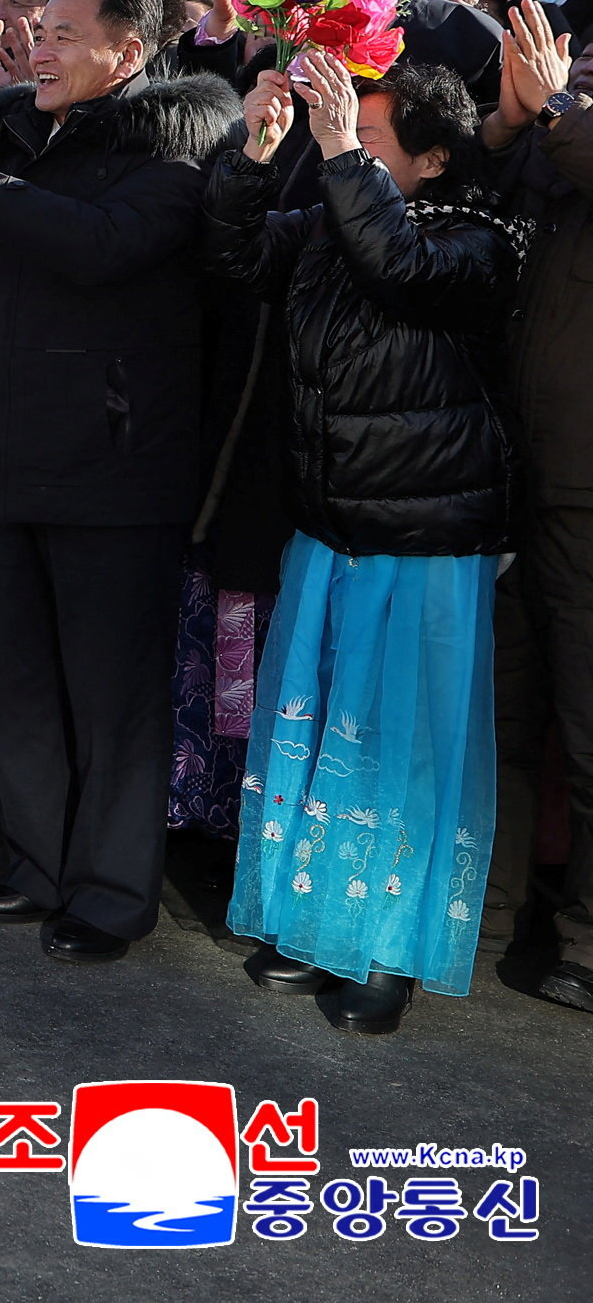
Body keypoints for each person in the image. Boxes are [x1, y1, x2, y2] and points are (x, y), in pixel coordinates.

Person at [0, 0, 237, 961]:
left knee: (110, 694)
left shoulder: (176, 144)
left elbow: (98, 247)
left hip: (114, 468)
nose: (41, 44)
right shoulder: (12, 138)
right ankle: (30, 866)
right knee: (22, 680)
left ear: (127, 52)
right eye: (42, 26)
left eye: (67, 30)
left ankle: (112, 893)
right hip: (4, 447)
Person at [200, 55, 522, 1035]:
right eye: (342, 132)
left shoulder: (478, 238)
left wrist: (336, 151)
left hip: (423, 537)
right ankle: (308, 923)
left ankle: (386, 949)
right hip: (328, 525)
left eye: (368, 137)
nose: (342, 145)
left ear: (430, 159)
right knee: (321, 731)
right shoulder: (335, 225)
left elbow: (401, 269)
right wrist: (252, 152)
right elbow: (236, 256)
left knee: (401, 750)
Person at [487, 0, 593, 1016]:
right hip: (510, 472)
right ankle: (486, 907)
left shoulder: (571, 126)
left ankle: (582, 938)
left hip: (584, 492)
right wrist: (514, 117)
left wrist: (552, 107)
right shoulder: (551, 128)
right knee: (498, 712)